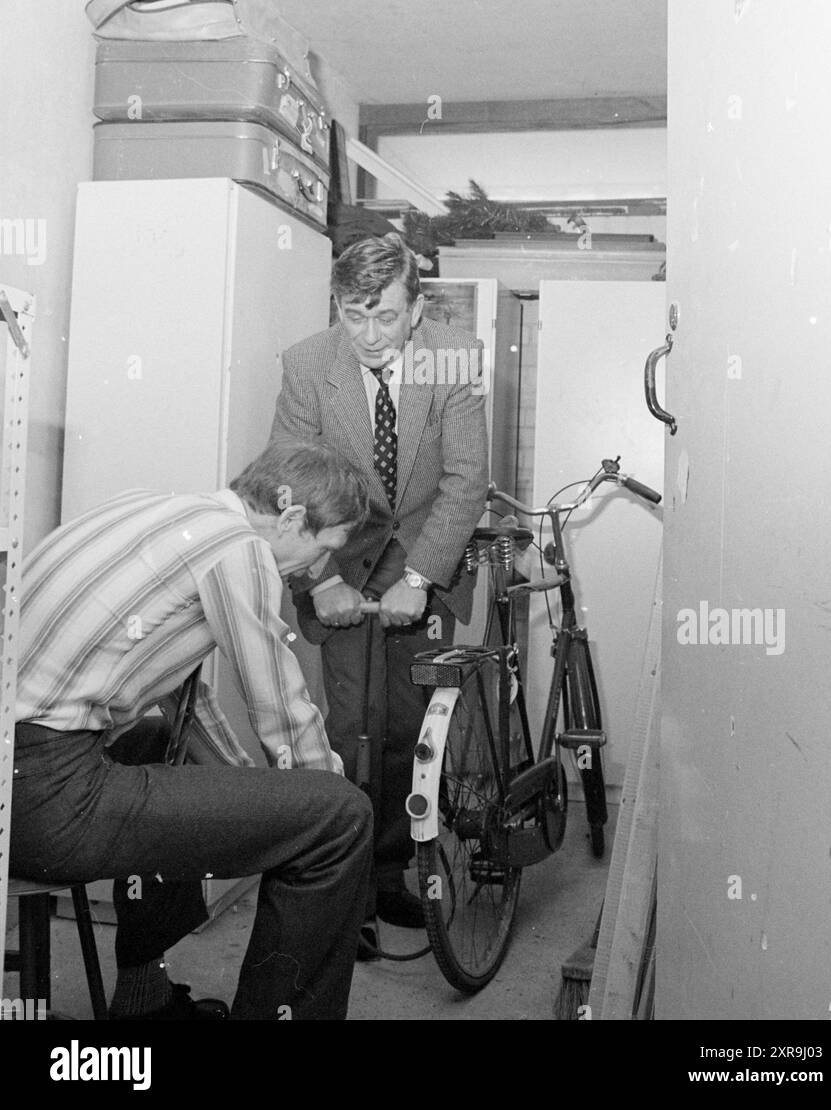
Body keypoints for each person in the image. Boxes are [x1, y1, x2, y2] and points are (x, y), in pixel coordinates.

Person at [11, 441, 373, 1021]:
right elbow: (280, 708)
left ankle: (142, 998)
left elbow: (190, 710)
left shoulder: (158, 511)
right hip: (46, 797)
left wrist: (257, 806)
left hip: (16, 778)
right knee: (341, 819)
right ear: (292, 517)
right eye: (321, 551)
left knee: (160, 745)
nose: (314, 572)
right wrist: (323, 801)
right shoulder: (240, 548)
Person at [270, 232, 489, 952]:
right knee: (343, 727)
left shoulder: (453, 357)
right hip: (340, 555)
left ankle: (392, 870)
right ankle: (345, 887)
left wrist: (421, 577)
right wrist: (322, 577)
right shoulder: (307, 364)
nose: (368, 335)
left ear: (417, 308)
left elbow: (465, 482)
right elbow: (288, 484)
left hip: (420, 552)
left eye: (386, 317)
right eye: (353, 314)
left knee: (403, 727)